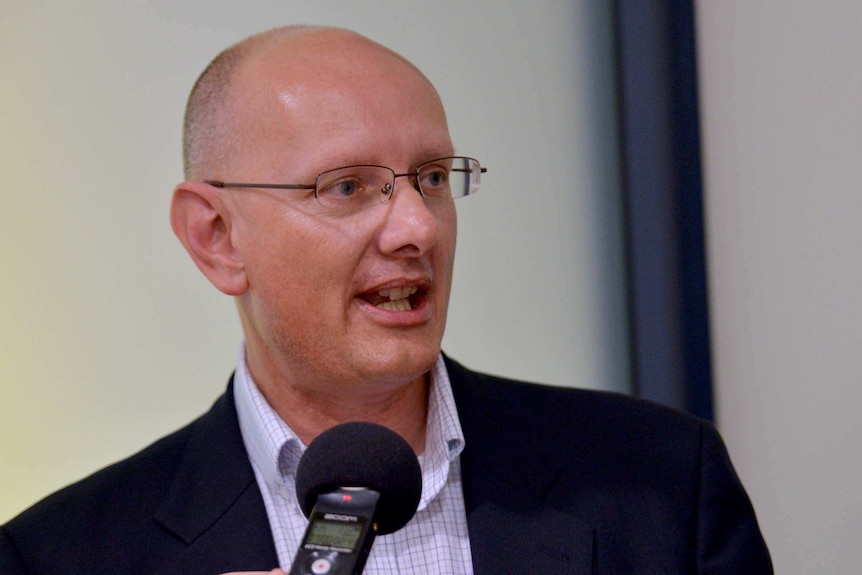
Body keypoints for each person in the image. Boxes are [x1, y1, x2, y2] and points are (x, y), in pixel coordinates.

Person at [0, 26, 772, 574]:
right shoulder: (58, 555)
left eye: (434, 177)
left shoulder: (662, 481)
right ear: (217, 237)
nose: (415, 227)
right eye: (347, 187)